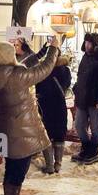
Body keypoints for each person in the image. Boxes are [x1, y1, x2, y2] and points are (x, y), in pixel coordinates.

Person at [0, 37, 61, 195]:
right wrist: (53, 49)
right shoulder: (16, 76)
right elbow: (44, 69)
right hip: (20, 131)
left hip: (5, 129)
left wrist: (42, 51)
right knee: (17, 172)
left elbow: (23, 64)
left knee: (12, 169)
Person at [28, 43, 71, 175]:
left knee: (45, 134)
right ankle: (58, 163)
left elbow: (38, 85)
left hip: (45, 104)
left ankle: (50, 165)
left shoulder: (43, 69)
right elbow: (67, 85)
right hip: (59, 104)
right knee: (59, 134)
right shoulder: (65, 69)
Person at [72, 32, 98, 165]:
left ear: (95, 44)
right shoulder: (85, 57)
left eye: (89, 43)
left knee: (95, 128)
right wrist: (76, 90)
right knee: (78, 125)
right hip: (82, 98)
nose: (86, 45)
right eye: (86, 42)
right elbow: (80, 76)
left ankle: (93, 152)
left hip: (95, 100)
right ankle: (86, 148)